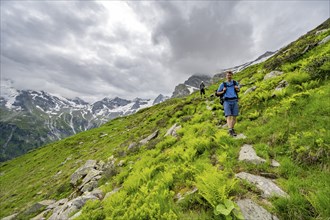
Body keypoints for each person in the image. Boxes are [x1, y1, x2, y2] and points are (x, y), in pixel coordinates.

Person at [216, 71, 240, 136]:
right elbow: (217, 93)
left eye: (230, 75)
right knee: (228, 116)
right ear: (226, 76)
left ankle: (232, 129)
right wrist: (223, 91)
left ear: (232, 76)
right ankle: (230, 130)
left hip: (234, 100)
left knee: (234, 117)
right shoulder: (223, 84)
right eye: (227, 75)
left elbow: (238, 90)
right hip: (226, 101)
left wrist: (237, 88)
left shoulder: (235, 83)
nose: (229, 76)